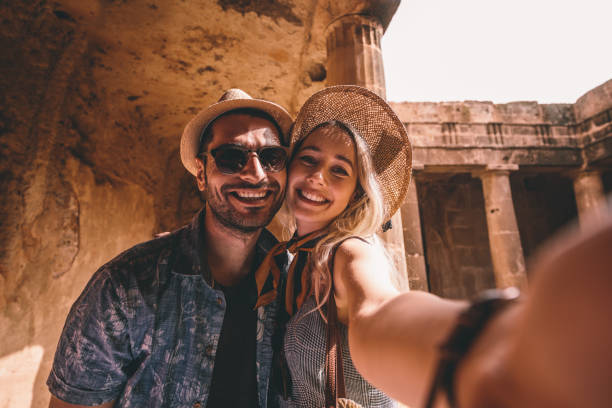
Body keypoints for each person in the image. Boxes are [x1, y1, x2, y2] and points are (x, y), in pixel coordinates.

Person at [261, 85, 612, 408]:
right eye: (308, 159)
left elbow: (379, 311)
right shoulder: (291, 260)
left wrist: (494, 357)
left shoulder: (350, 252)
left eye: (340, 170)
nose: (318, 177)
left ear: (356, 193)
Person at [47, 89, 293, 408]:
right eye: (231, 158)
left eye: (272, 157)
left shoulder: (297, 283)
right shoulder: (124, 286)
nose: (256, 174)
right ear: (201, 174)